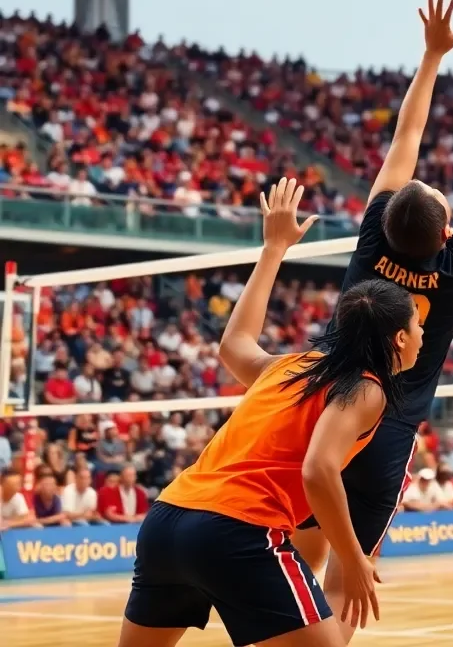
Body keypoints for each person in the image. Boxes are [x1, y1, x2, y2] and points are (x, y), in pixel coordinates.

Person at [292, 0, 453, 642]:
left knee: (304, 553)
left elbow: (406, 137)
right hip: (387, 425)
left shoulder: (372, 238)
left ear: (387, 212)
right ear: (447, 229)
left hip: (324, 408)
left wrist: (430, 57)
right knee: (351, 577)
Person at [118, 178, 424, 647]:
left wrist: (274, 248)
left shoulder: (293, 366)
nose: (423, 333)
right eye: (418, 324)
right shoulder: (366, 389)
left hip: (167, 520)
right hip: (237, 530)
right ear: (400, 339)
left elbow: (233, 345)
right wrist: (354, 558)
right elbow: (319, 470)